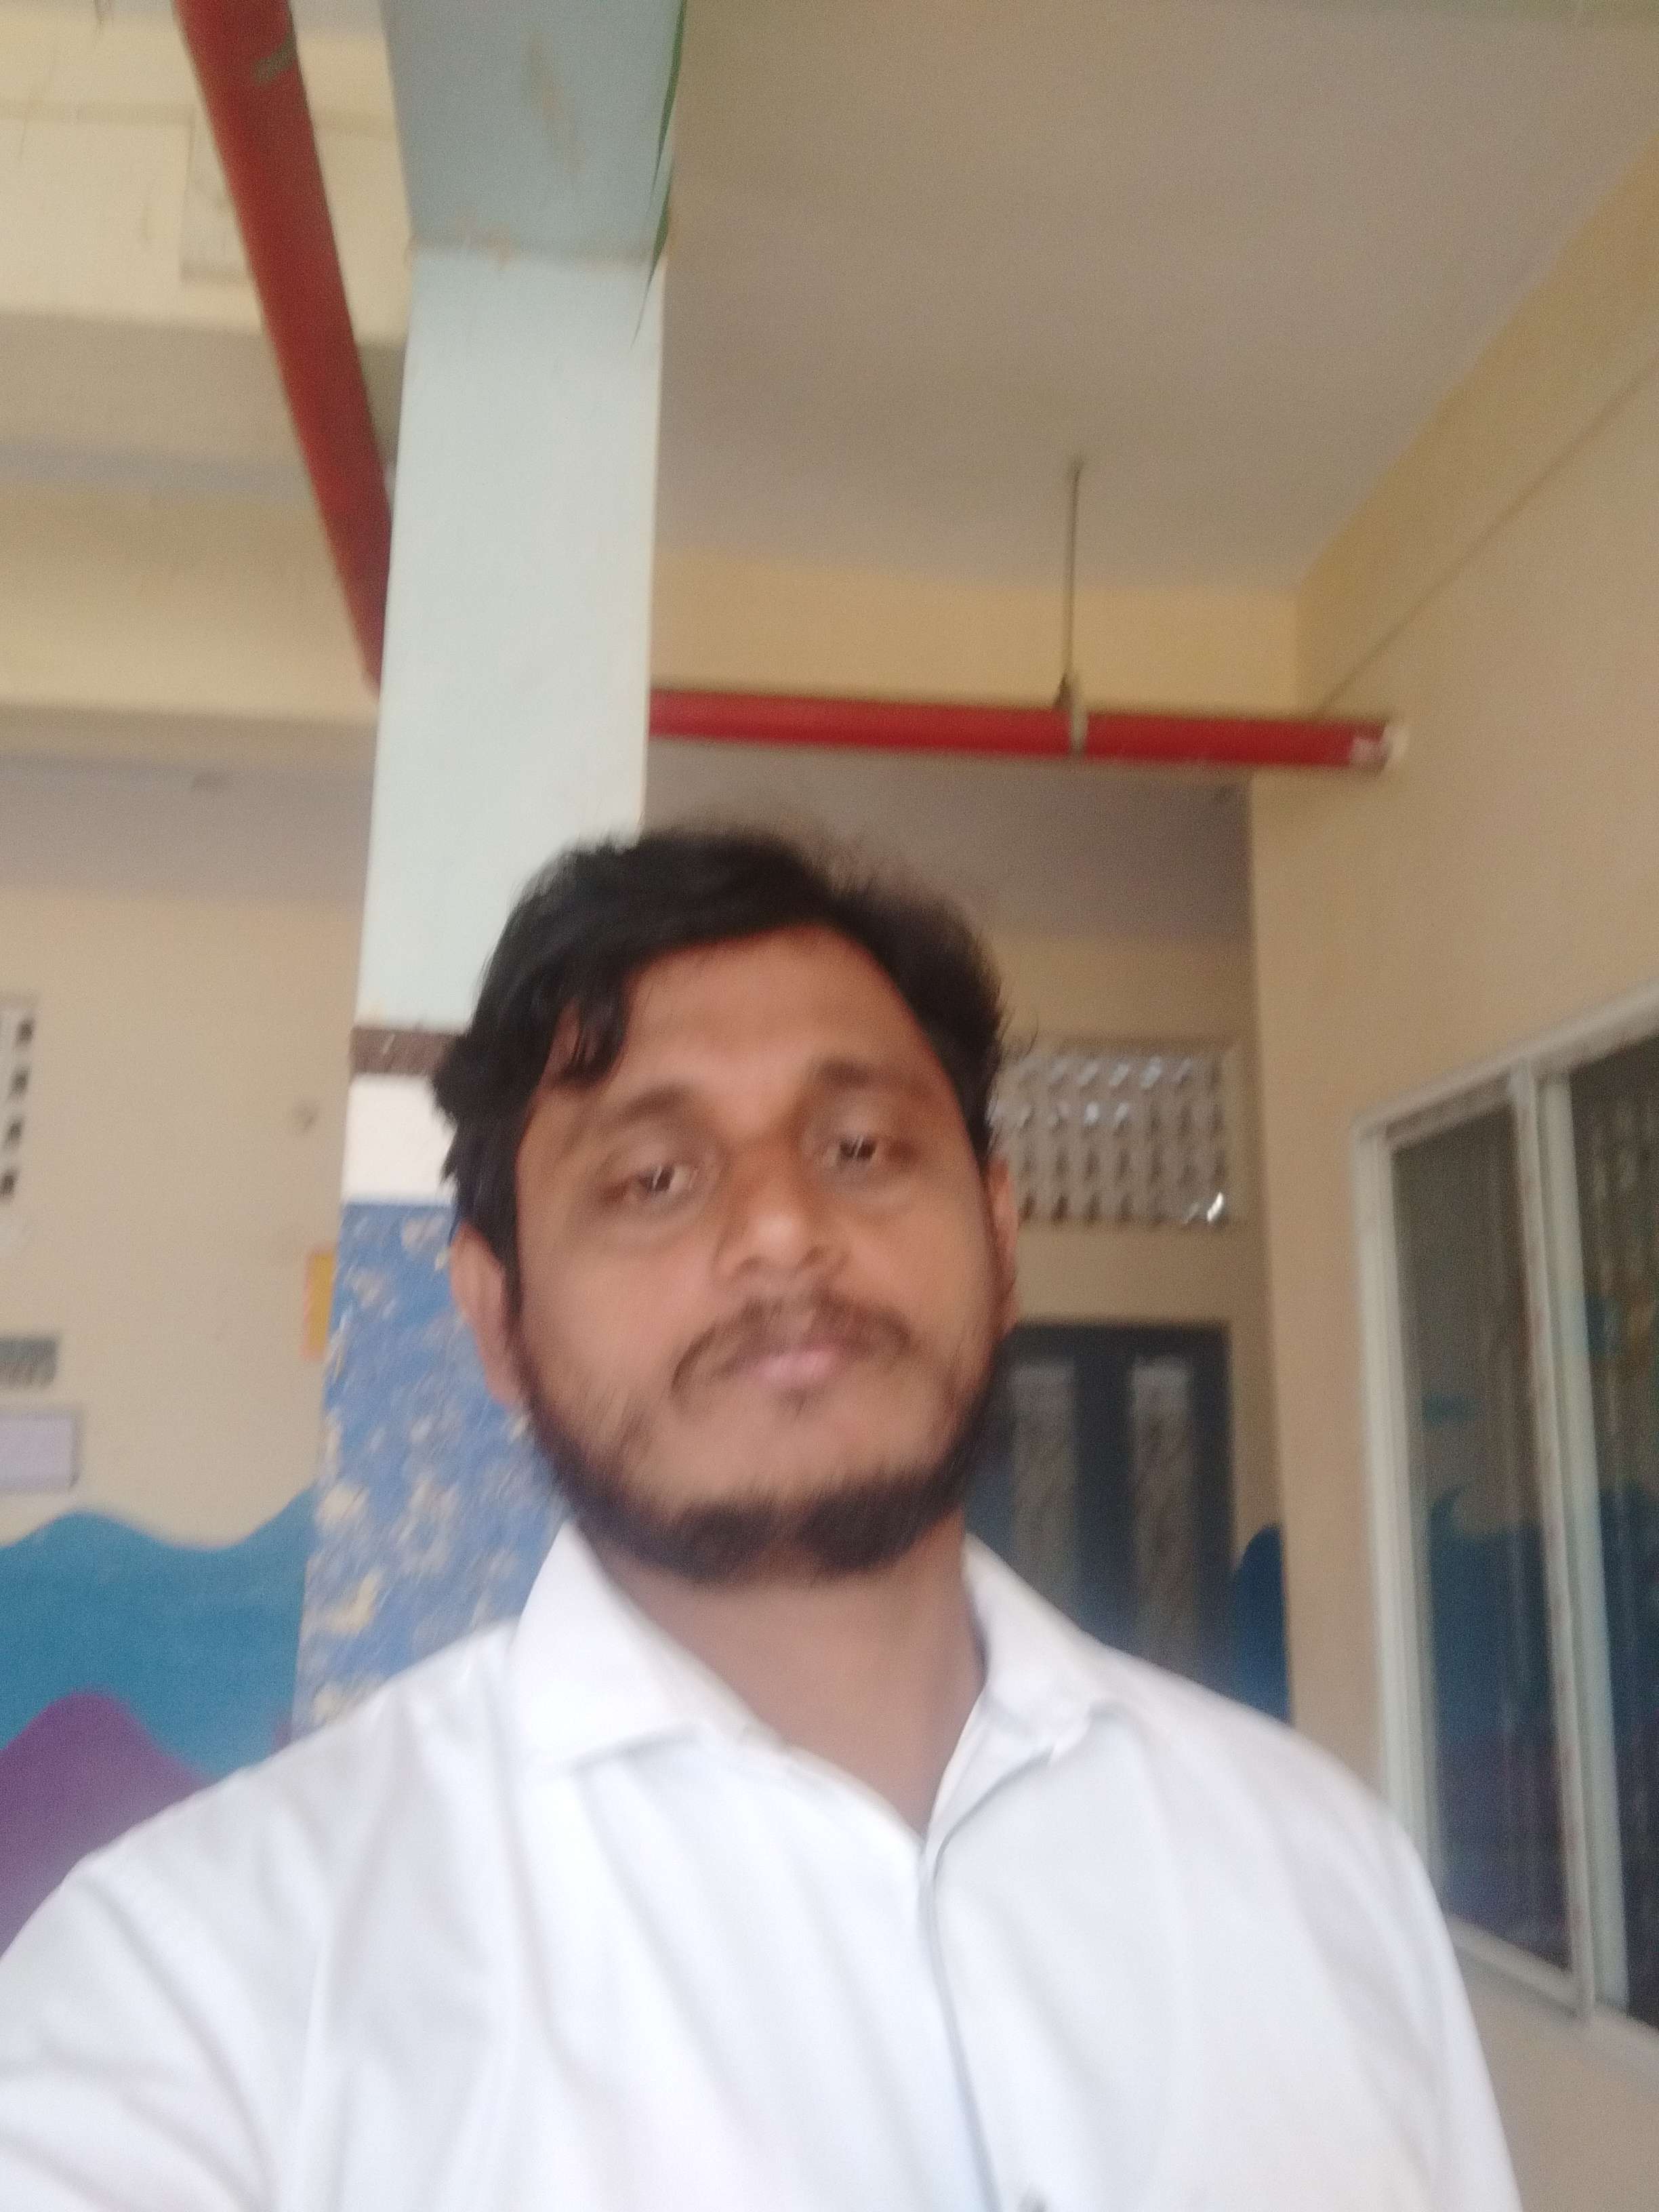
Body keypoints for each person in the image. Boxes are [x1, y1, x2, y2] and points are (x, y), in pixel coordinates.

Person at [0, 829, 1518, 2211]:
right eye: (654, 1178)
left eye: (861, 1149)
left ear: (999, 1238)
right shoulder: (202, 1980)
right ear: (497, 1318)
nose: (785, 1227)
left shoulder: (1320, 1863)